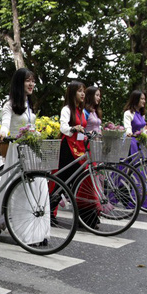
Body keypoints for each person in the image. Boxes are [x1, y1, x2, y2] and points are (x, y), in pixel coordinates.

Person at [0, 68, 49, 242]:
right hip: (17, 152)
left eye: (33, 80)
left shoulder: (29, 105)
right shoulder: (9, 105)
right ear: (19, 83)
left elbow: (30, 127)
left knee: (38, 189)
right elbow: (6, 122)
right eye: (27, 80)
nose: (31, 84)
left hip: (31, 152)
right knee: (18, 190)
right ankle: (21, 230)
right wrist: (3, 133)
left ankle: (38, 231)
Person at [58, 80, 99, 227]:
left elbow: (83, 129)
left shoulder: (80, 110)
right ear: (72, 93)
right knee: (63, 180)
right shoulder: (67, 109)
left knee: (81, 181)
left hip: (79, 147)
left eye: (84, 91)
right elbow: (63, 127)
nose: (83, 94)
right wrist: (73, 128)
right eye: (80, 91)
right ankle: (50, 211)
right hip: (68, 148)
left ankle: (87, 218)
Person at [122, 90, 147, 209]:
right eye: (141, 99)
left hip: (140, 143)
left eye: (144, 99)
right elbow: (127, 127)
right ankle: (133, 197)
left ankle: (145, 198)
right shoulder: (128, 113)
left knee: (144, 168)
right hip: (131, 142)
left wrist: (146, 134)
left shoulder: (141, 113)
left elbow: (143, 128)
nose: (144, 101)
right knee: (134, 170)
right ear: (135, 100)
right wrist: (129, 133)